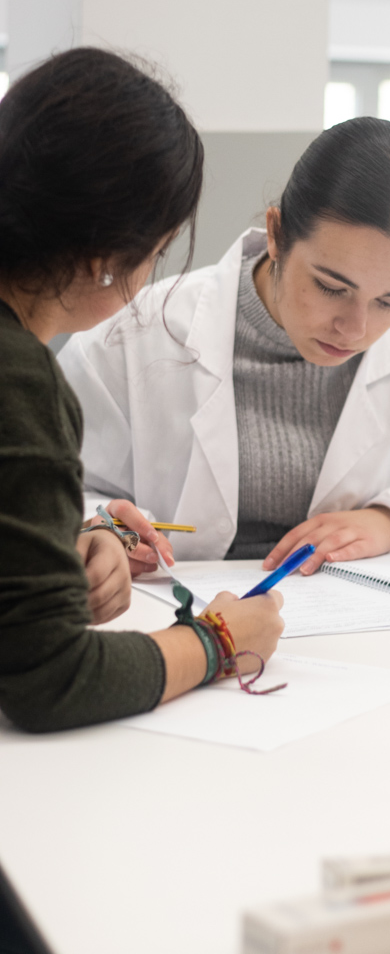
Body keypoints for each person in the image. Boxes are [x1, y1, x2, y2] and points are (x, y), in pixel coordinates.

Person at [59, 117, 390, 577]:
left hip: (364, 624)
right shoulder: (133, 337)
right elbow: (49, 492)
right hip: (173, 619)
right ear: (277, 234)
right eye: (332, 287)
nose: (356, 328)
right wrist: (103, 529)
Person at [0, 47, 284, 736]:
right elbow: (52, 679)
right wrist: (218, 640)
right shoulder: (18, 379)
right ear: (106, 260)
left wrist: (69, 537)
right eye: (157, 249)